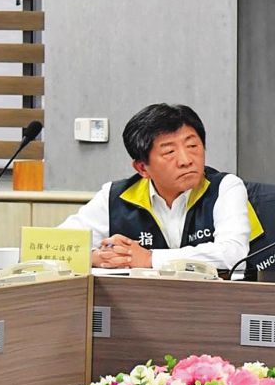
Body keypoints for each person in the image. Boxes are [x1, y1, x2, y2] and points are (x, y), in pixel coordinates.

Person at [60, 103, 251, 271]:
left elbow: (233, 254)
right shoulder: (115, 196)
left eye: (192, 146)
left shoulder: (225, 187)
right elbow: (55, 246)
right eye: (169, 152)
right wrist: (96, 258)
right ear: (142, 168)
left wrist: (149, 259)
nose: (186, 160)